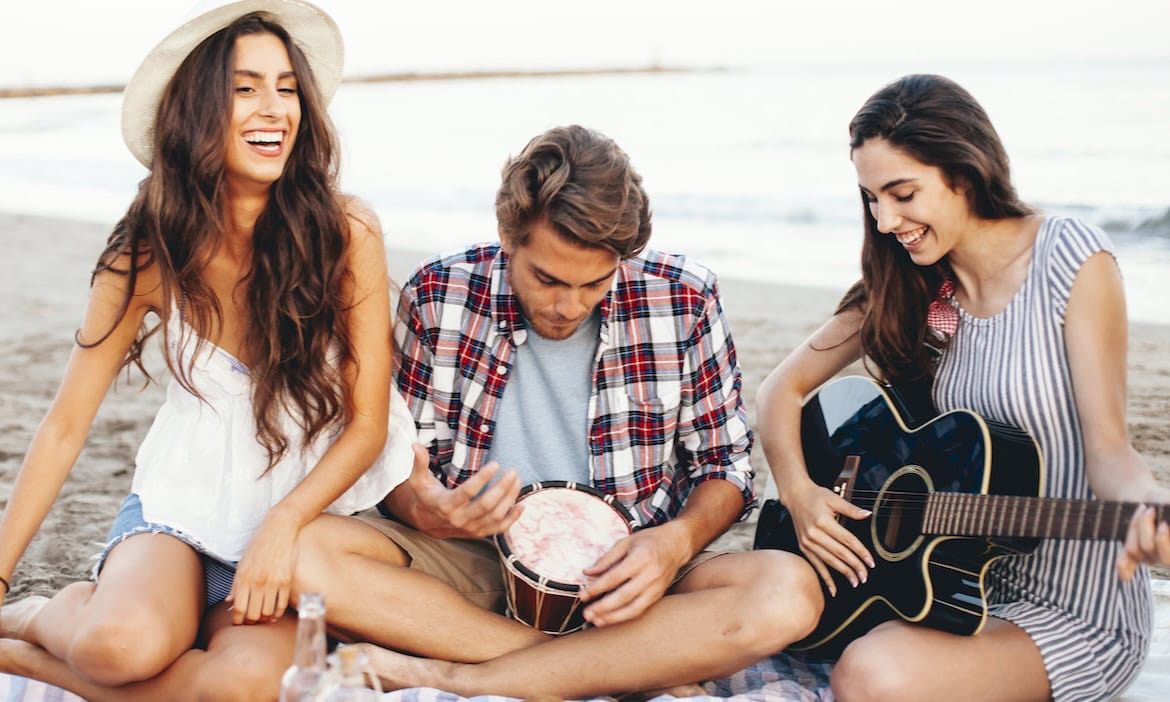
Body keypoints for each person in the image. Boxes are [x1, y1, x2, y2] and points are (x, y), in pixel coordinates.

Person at [286, 124, 825, 698]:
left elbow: (725, 463)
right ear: (507, 236)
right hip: (478, 565)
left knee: (788, 591)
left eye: (594, 284)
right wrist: (425, 509)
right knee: (303, 554)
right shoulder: (438, 292)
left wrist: (676, 544)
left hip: (631, 574)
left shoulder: (685, 297)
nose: (568, 306)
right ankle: (600, 667)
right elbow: (396, 464)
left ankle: (459, 675)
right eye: (546, 279)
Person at [0, 1, 412, 700]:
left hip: (295, 521)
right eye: (245, 87)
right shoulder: (146, 252)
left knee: (243, 688)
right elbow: (67, 425)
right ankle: (40, 615)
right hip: (178, 510)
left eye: (287, 87)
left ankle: (19, 657)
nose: (274, 108)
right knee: (116, 647)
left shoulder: (345, 231)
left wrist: (284, 529)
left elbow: (368, 425)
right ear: (194, 110)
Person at [755, 73, 1170, 702]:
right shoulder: (913, 288)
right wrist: (802, 495)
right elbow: (779, 391)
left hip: (1076, 614)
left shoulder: (1070, 258)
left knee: (869, 674)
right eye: (871, 198)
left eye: (902, 193)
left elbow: (1111, 452)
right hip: (943, 590)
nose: (886, 219)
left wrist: (1150, 505)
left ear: (965, 171)